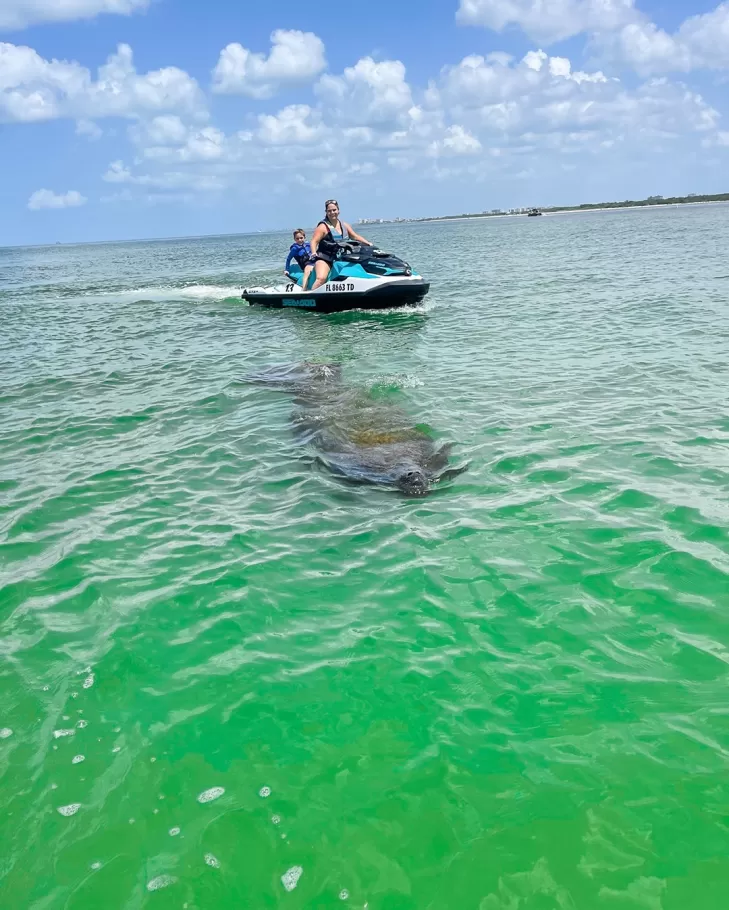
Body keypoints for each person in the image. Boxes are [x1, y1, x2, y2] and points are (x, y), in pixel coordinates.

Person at [307, 199, 371, 290]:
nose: (332, 213)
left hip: (341, 257)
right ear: (326, 212)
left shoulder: (344, 225)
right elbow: (314, 241)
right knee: (321, 278)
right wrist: (313, 252)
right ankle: (311, 296)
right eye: (329, 211)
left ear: (338, 211)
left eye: (334, 210)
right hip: (325, 258)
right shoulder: (322, 227)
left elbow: (355, 236)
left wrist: (368, 243)